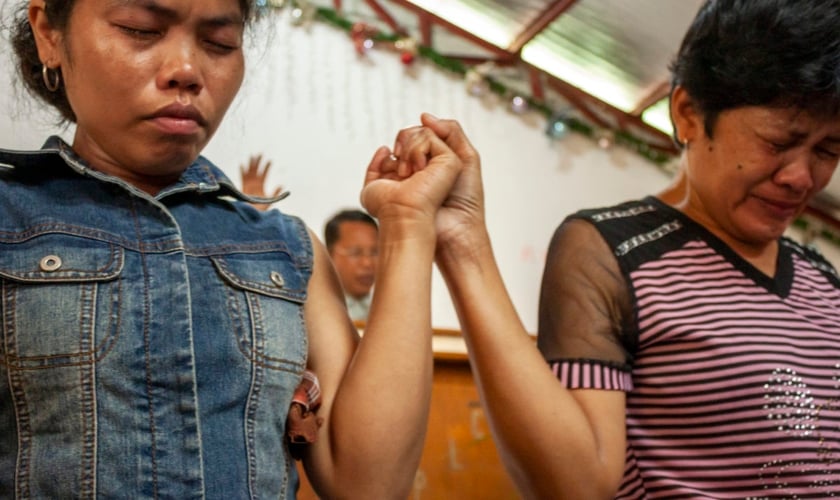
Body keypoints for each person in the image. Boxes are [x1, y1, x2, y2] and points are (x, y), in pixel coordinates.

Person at [0, 1, 464, 498]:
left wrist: (408, 226)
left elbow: (368, 484)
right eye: (140, 30)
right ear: (49, 32)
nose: (186, 71)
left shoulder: (285, 250)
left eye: (220, 43)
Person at [378, 1, 840, 497]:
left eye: (828, 150)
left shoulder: (822, 278)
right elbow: (578, 484)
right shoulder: (609, 252)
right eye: (775, 143)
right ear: (688, 114)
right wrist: (465, 241)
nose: (801, 178)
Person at [324, 209, 379, 322]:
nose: (367, 263)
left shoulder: (388, 313)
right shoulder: (313, 314)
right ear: (329, 255)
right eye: (355, 253)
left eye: (375, 252)